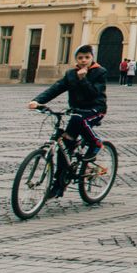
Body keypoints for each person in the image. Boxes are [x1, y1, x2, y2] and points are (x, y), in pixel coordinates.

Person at [28, 45, 108, 187]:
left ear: (92, 58)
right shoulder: (71, 74)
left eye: (87, 57)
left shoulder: (100, 72)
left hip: (95, 109)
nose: (83, 60)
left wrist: (83, 79)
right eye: (80, 58)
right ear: (76, 59)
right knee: (64, 146)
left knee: (78, 119)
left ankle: (96, 143)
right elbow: (56, 88)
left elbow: (94, 93)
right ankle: (58, 185)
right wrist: (37, 101)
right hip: (77, 110)